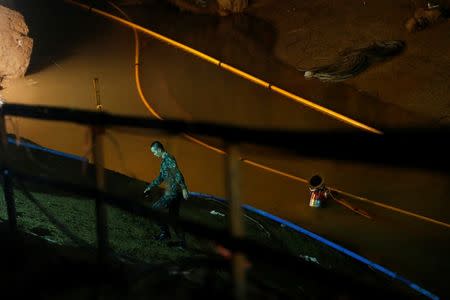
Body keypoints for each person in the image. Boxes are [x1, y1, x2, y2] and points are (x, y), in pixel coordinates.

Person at [144, 141, 189, 249]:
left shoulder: (169, 159)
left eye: (154, 152)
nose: (154, 154)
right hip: (173, 192)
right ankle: (182, 244)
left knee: (154, 210)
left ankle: (165, 234)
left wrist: (184, 188)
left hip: (173, 193)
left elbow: (177, 173)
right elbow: (161, 177)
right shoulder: (164, 161)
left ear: (159, 149)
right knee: (174, 218)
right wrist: (150, 187)